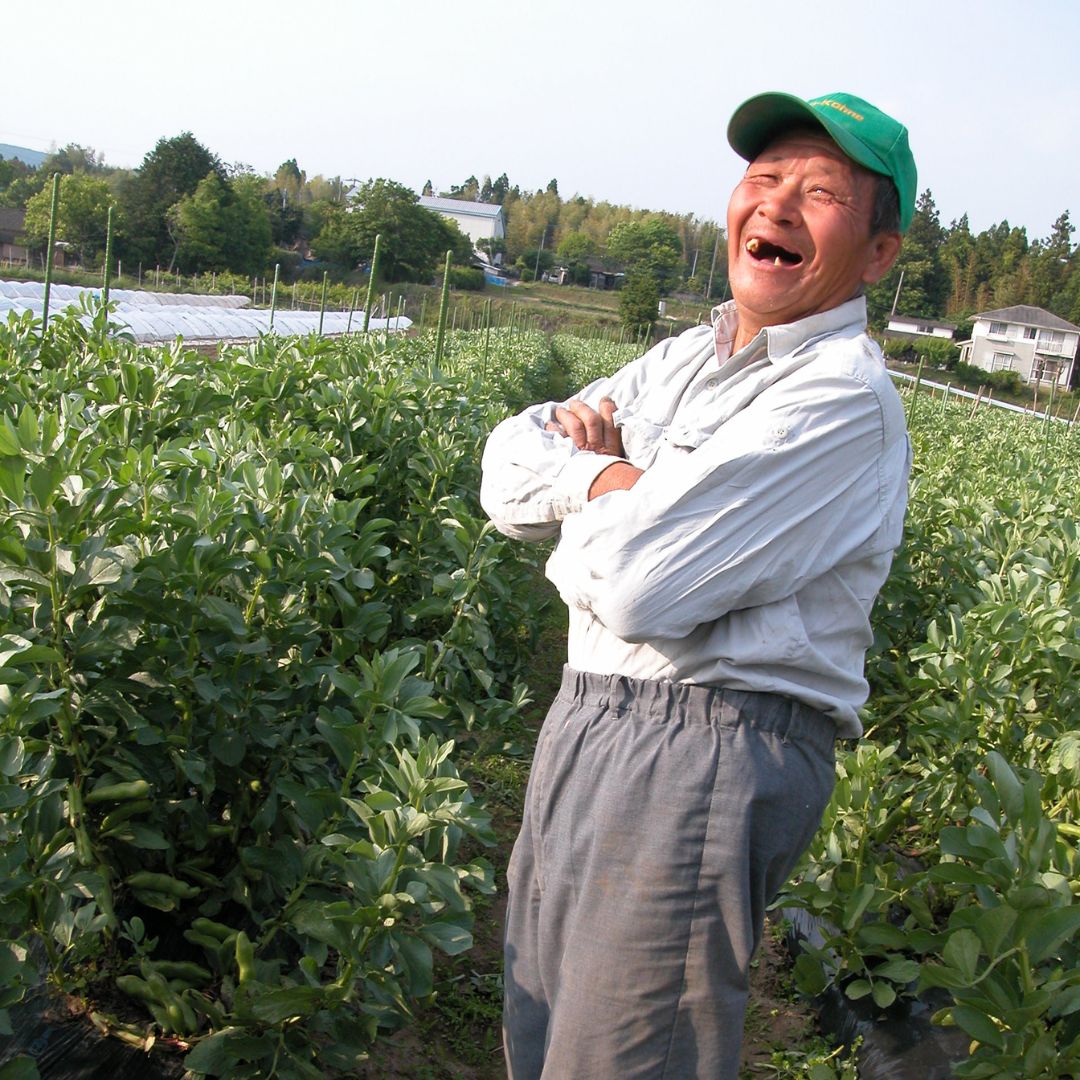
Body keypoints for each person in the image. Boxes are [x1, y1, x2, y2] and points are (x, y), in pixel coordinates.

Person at [480, 90, 917, 1080]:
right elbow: (506, 472)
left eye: (821, 192)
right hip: (589, 713)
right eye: (764, 177)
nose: (778, 205)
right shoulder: (685, 359)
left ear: (878, 253)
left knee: (624, 1057)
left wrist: (589, 492)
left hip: (707, 746)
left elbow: (642, 587)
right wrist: (615, 480)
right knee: (540, 1030)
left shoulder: (840, 397)